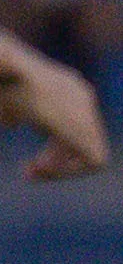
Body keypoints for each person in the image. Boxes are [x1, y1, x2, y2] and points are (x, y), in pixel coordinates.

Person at [0, 24, 107, 179]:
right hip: (58, 91)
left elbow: (96, 158)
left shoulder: (64, 98)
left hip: (59, 94)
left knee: (93, 157)